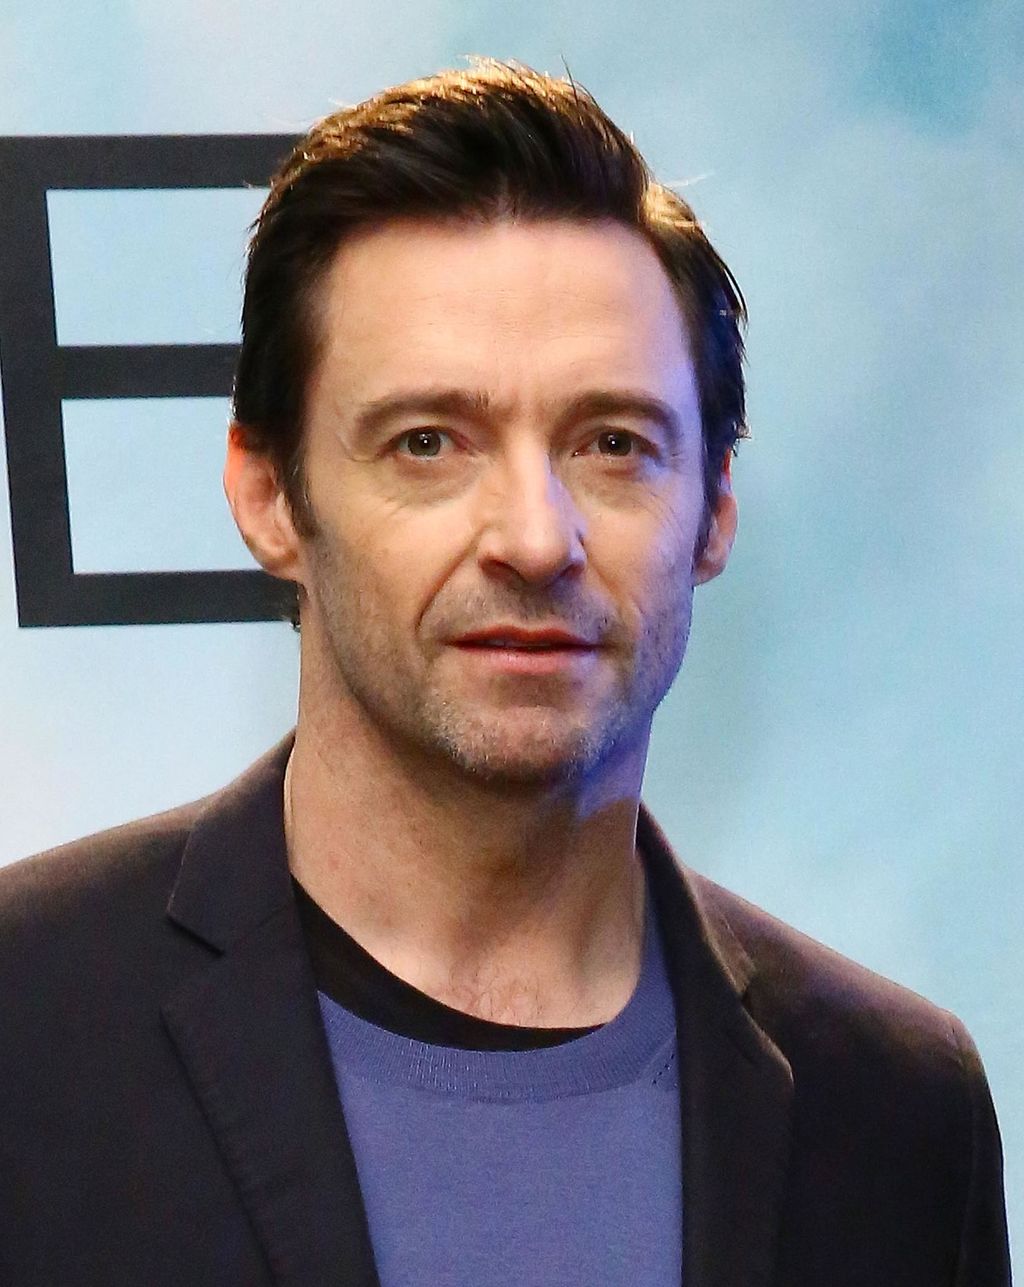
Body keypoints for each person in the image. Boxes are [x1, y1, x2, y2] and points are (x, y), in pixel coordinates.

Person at [0, 57, 1010, 1287]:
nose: (535, 537)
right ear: (267, 496)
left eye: (612, 444)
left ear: (713, 511)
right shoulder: (26, 1021)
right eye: (428, 442)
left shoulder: (902, 1112)